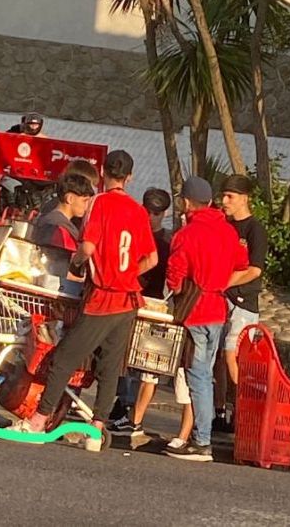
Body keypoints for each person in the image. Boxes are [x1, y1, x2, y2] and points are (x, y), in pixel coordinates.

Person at [12, 150, 158, 451]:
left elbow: (88, 248)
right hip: (129, 299)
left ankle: (39, 418)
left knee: (64, 357)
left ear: (103, 173)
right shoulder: (138, 211)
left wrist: (77, 265)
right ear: (129, 177)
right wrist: (128, 272)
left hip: (102, 295)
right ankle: (97, 427)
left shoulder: (99, 203)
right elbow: (152, 258)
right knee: (110, 365)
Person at [163, 177, 250, 462]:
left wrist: (182, 287)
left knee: (197, 376)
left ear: (187, 203)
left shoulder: (187, 234)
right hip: (218, 310)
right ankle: (202, 436)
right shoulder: (228, 232)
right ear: (211, 202)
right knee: (207, 374)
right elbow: (242, 263)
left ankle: (202, 441)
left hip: (196, 312)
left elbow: (175, 278)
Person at [108, 187, 182, 436]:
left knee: (145, 359)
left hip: (153, 301)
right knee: (124, 354)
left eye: (157, 213)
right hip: (130, 296)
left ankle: (128, 407)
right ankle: (121, 403)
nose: (152, 217)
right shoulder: (135, 235)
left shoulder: (168, 242)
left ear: (165, 213)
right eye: (148, 212)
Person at [213, 174, 268, 432]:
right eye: (224, 196)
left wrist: (228, 280)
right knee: (218, 359)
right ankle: (219, 409)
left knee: (231, 353)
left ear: (244, 199)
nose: (225, 201)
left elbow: (255, 269)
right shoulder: (224, 225)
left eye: (230, 197)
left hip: (243, 302)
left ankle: (241, 409)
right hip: (221, 300)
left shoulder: (254, 229)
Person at [31, 173, 95, 252]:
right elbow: (61, 257)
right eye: (84, 201)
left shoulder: (47, 218)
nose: (87, 206)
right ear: (70, 199)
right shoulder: (58, 228)